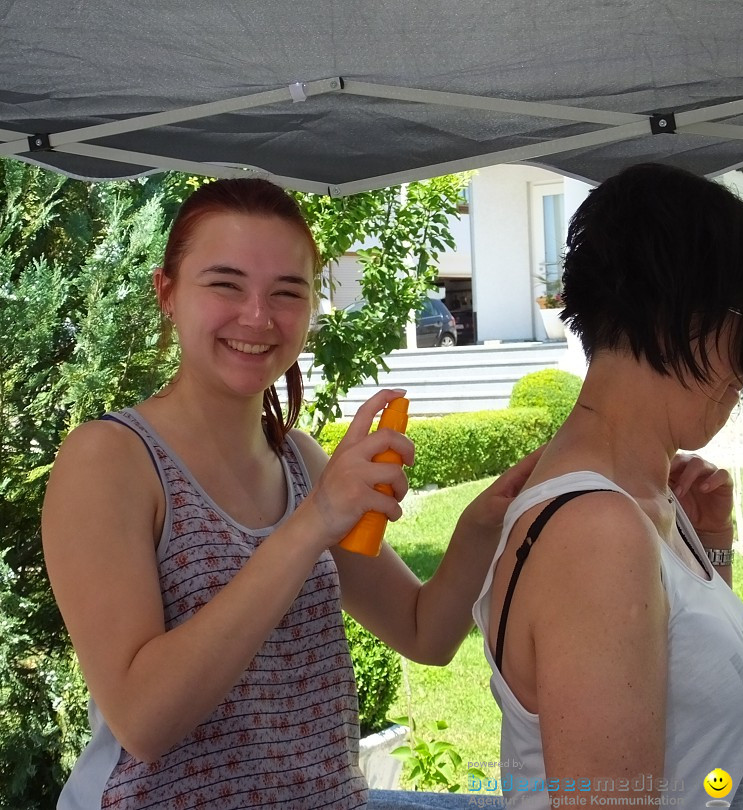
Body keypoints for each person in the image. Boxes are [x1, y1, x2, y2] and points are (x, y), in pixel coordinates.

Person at [41, 178, 539, 809]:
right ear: (167, 292)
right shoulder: (110, 460)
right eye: (225, 284)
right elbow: (143, 721)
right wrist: (310, 526)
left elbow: (424, 634)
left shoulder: (298, 459)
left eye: (287, 292)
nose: (257, 316)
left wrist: (483, 525)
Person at [471, 163, 743, 809]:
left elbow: (687, 681)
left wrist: (713, 547)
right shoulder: (596, 531)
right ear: (673, 312)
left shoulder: (643, 497)